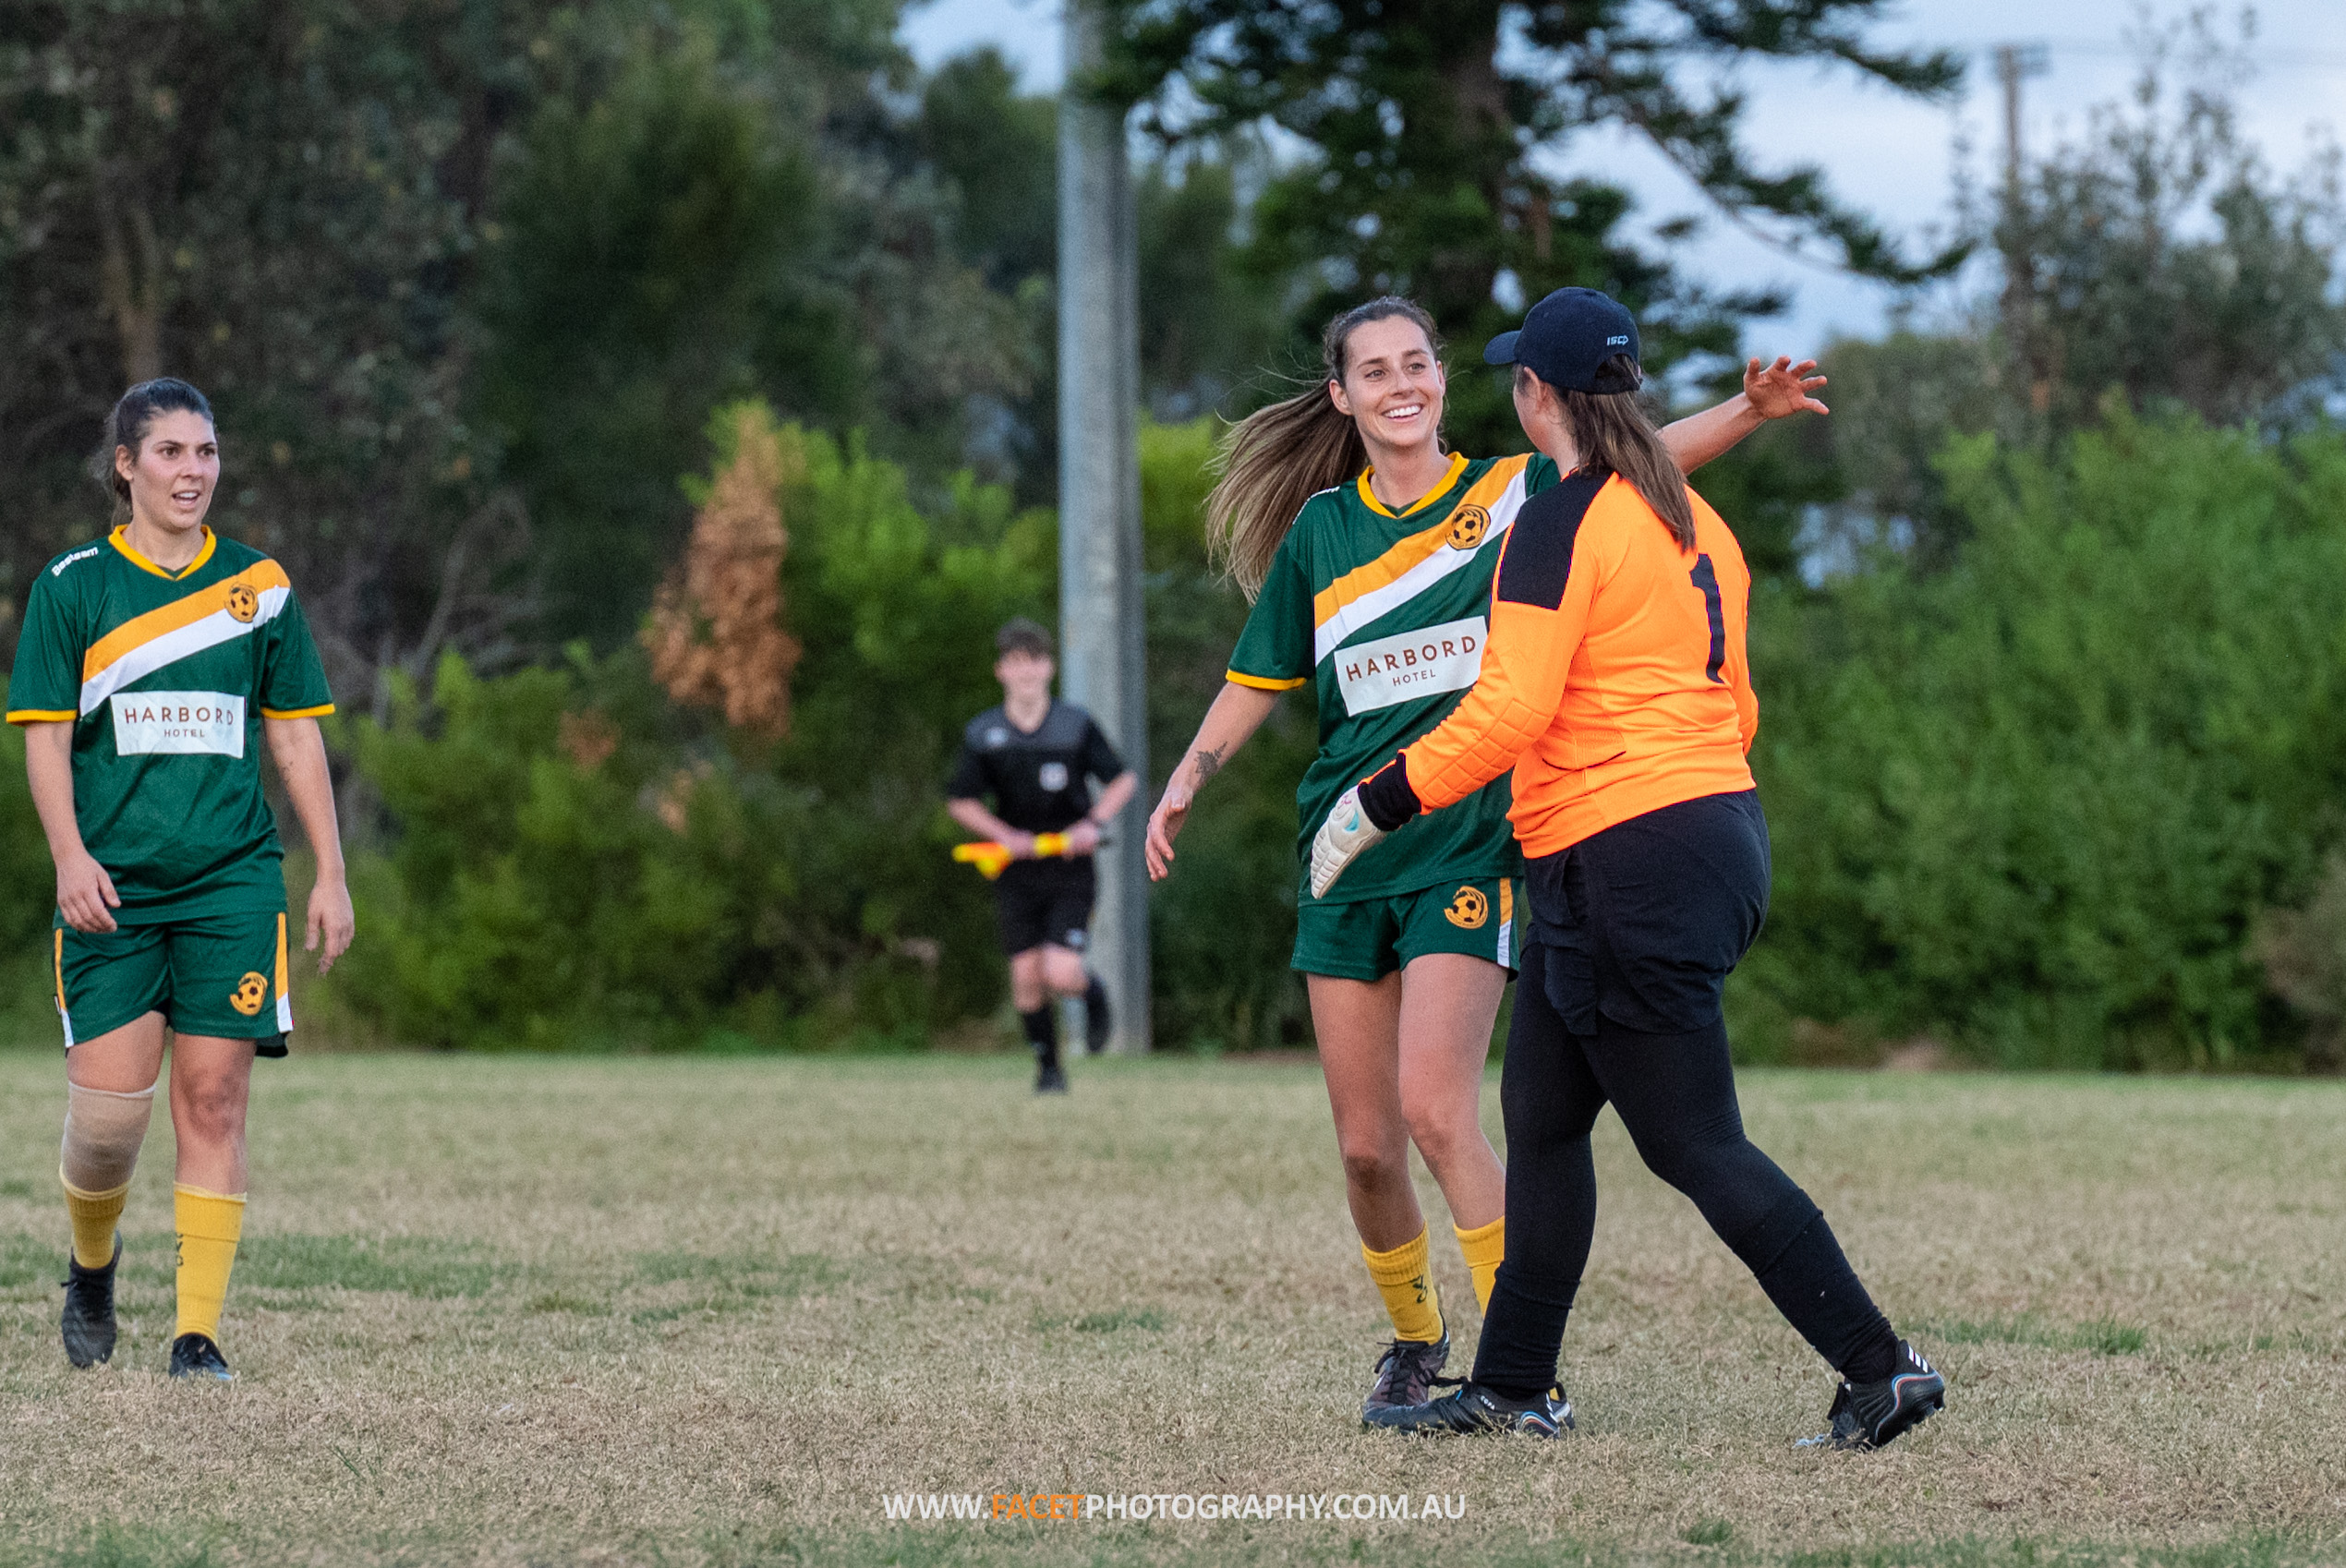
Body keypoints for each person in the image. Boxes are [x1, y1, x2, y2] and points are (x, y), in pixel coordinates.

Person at [1144, 295, 1828, 1419]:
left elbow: (1640, 457)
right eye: (1375, 370)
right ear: (1342, 395)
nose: (1400, 383)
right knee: (1366, 1150)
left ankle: (1519, 1376)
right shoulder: (1320, 532)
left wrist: (1746, 417)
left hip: (1465, 842)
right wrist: (1182, 782)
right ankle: (1415, 1345)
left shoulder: (1511, 496)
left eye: (1417, 362)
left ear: (1443, 380)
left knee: (1434, 1109)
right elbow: (1255, 681)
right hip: (1346, 849)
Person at [1312, 287, 1944, 1448]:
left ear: (1534, 395)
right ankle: (1511, 1383)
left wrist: (1375, 802)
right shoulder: (1692, 517)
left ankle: (1876, 1364)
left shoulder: (1559, 524)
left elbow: (1506, 709)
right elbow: (1734, 704)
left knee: (1692, 1141)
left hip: (1623, 852)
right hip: (1704, 833)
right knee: (1543, 1114)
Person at [7, 378, 355, 1382]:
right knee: (109, 1127)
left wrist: (328, 871)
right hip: (111, 890)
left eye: (204, 452)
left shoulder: (261, 588)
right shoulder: (73, 587)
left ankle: (195, 1338)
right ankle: (90, 1265)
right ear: (127, 467)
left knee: (212, 1105)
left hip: (232, 884)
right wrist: (70, 857)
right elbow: (43, 743)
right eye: (169, 453)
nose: (192, 471)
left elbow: (292, 737)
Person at [947, 618, 1138, 1093]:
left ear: (1048, 667)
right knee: (1026, 977)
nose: (1026, 672)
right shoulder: (984, 733)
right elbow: (960, 800)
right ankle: (1050, 1073)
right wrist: (1002, 834)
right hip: (1015, 869)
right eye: (1015, 663)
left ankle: (1092, 993)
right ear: (1001, 672)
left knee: (1060, 971)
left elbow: (1123, 780)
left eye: (1034, 661)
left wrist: (1091, 825)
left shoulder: (1074, 726)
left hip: (1070, 867)